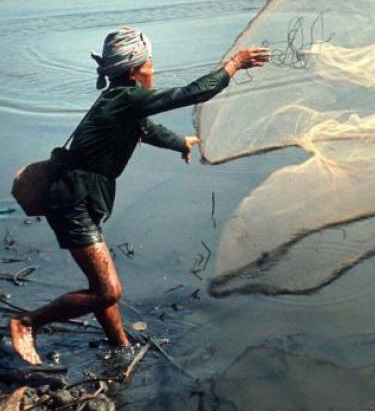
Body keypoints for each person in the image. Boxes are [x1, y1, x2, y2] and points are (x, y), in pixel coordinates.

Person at [9, 27, 270, 364]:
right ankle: (27, 323)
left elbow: (146, 129)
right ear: (135, 69)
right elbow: (193, 93)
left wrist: (181, 142)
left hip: (80, 196)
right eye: (149, 64)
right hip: (74, 201)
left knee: (100, 285)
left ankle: (119, 346)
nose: (153, 69)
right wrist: (235, 63)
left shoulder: (118, 99)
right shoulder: (127, 98)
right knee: (108, 291)